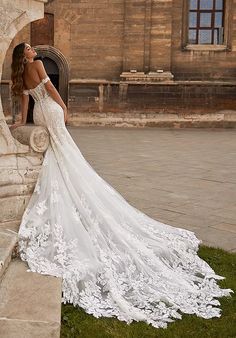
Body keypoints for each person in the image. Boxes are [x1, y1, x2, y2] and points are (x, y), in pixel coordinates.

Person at [10, 42, 232, 329]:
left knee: (60, 155)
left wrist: (19, 121)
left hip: (40, 113)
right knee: (67, 154)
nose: (32, 50)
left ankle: (68, 188)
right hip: (51, 110)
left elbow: (27, 101)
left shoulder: (22, 73)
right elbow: (51, 91)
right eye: (28, 48)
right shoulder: (39, 65)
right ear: (25, 55)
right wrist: (64, 107)